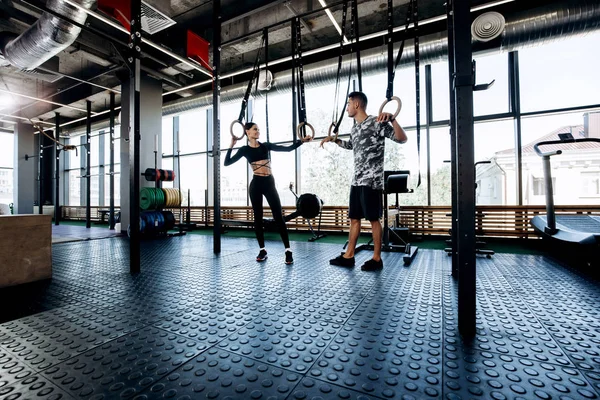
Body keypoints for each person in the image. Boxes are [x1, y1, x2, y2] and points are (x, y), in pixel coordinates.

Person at [320, 91, 408, 271]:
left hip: (372, 181)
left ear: (356, 105)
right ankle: (349, 256)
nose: (347, 108)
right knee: (354, 218)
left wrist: (392, 120)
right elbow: (351, 145)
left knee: (374, 220)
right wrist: (334, 140)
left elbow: (401, 139)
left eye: (348, 104)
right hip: (357, 180)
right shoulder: (355, 127)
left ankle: (377, 259)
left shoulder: (377, 122)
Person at [225, 122, 311, 264]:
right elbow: (227, 162)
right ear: (247, 132)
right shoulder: (244, 150)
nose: (258, 131)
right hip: (256, 185)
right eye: (254, 129)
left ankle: (288, 250)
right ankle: (262, 250)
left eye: (258, 129)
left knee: (278, 216)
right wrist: (231, 145)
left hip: (269, 183)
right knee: (257, 218)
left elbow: (288, 149)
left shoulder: (266, 146)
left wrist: (301, 142)